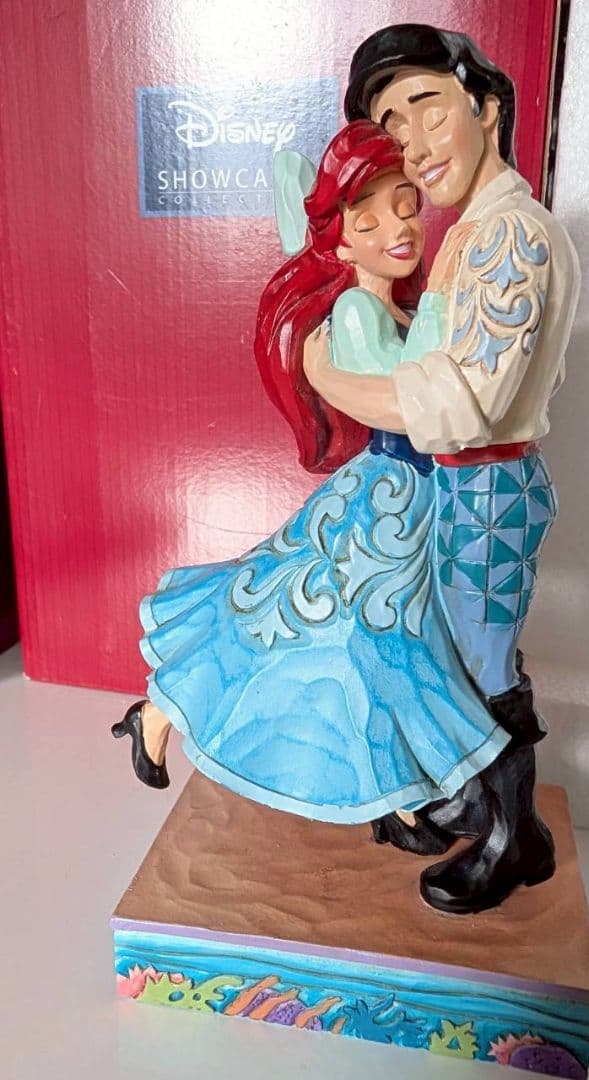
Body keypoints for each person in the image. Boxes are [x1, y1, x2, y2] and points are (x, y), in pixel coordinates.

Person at [112, 120, 511, 834]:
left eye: (406, 207)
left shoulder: (395, 306)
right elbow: (418, 393)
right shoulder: (354, 312)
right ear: (341, 242)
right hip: (388, 499)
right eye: (369, 219)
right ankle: (169, 713)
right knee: (348, 633)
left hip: (413, 498)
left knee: (354, 637)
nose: (399, 228)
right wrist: (449, 294)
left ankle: (395, 791)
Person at [303, 25, 582, 914]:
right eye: (393, 122)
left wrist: (327, 378)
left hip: (488, 481)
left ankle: (511, 839)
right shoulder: (472, 234)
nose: (415, 143)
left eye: (427, 107)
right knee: (454, 654)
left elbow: (461, 402)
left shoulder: (509, 237)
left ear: (487, 106)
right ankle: (477, 808)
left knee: (482, 665)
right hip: (463, 484)